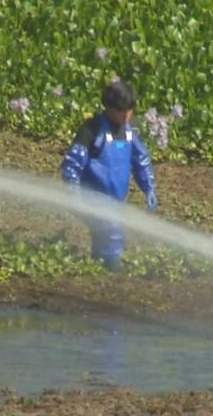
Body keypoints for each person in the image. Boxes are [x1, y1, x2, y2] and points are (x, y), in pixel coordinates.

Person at [61, 81, 157, 272]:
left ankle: (97, 267)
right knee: (113, 229)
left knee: (102, 234)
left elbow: (141, 161)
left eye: (129, 111)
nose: (126, 116)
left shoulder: (132, 130)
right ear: (109, 108)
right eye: (121, 112)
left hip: (116, 199)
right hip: (91, 195)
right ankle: (114, 269)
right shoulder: (92, 129)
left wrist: (149, 187)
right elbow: (73, 162)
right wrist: (72, 189)